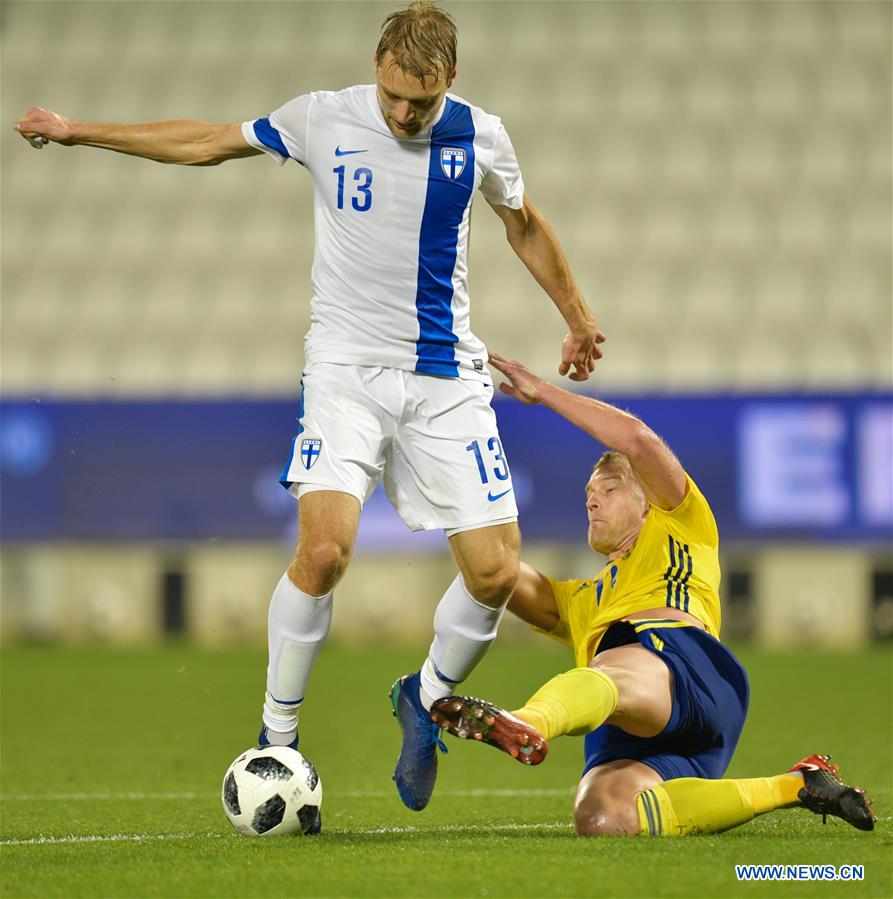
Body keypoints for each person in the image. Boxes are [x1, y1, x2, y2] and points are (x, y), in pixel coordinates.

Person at [13, 2, 604, 815]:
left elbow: (524, 224)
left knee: (497, 572)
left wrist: (575, 316)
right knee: (325, 552)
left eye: (421, 103)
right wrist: (82, 130)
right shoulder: (323, 118)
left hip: (445, 376)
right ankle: (276, 740)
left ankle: (425, 698)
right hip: (346, 370)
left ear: (451, 82)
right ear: (377, 67)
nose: (402, 114)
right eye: (394, 95)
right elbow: (210, 140)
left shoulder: (481, 137)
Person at [431, 351, 875, 836]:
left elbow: (638, 441)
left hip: (690, 674)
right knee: (603, 817)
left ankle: (528, 721)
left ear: (647, 503)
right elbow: (496, 568)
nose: (592, 499)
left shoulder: (680, 524)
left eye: (609, 488)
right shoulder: (584, 600)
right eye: (587, 496)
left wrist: (544, 392)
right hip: (636, 730)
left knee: (611, 666)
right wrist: (453, 503)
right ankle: (796, 785)